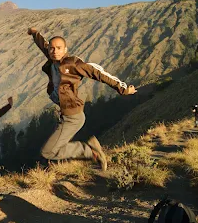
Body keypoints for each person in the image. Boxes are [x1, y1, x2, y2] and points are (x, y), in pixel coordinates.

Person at [27, 28, 137, 171]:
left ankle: (90, 152)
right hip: (67, 114)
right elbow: (44, 45)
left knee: (48, 152)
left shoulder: (73, 64)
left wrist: (123, 88)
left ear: (65, 49)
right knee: (53, 150)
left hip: (73, 117)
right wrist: (34, 33)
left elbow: (97, 73)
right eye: (52, 49)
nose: (54, 51)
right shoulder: (52, 60)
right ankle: (88, 151)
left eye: (59, 48)